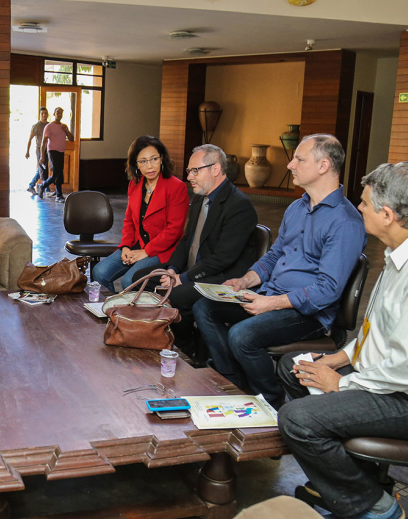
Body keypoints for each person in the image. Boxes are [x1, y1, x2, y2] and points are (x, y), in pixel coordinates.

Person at [277, 162, 408, 519]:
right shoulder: (404, 250)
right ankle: (357, 482)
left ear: (387, 214)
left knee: (297, 419)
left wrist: (342, 383)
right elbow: (382, 332)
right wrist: (338, 358)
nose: (359, 208)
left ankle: (374, 507)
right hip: (398, 380)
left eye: (365, 203)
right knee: (294, 367)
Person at [193, 134, 366, 408]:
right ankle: (236, 383)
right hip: (271, 295)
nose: (290, 165)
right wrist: (246, 279)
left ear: (323, 166)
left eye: (299, 159)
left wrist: (270, 304)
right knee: (205, 308)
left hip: (308, 313)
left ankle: (273, 402)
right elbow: (274, 256)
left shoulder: (345, 222)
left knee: (242, 335)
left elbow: (328, 290)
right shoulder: (297, 208)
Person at [133, 144, 258, 360]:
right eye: (189, 171)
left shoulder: (239, 206)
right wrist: (172, 270)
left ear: (216, 169)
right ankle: (175, 340)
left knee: (176, 294)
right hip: (194, 270)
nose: (189, 176)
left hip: (220, 278)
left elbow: (222, 259)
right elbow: (186, 240)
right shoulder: (201, 198)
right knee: (142, 278)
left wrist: (183, 278)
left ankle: (187, 347)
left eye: (195, 171)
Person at [92, 135, 189, 293]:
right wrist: (125, 246)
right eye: (143, 161)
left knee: (129, 281)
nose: (149, 166)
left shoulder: (176, 187)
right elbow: (129, 220)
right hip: (136, 245)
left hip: (162, 250)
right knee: (99, 272)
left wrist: (146, 252)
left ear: (162, 159)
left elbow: (174, 230)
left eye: (154, 159)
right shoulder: (135, 184)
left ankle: (132, 314)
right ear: (136, 164)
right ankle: (115, 310)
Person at [38, 107, 75, 203]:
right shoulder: (49, 126)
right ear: (54, 114)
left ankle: (51, 190)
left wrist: (66, 130)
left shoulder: (63, 126)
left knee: (59, 173)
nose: (59, 114)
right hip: (52, 151)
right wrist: (42, 156)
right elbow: (44, 142)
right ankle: (55, 193)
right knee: (56, 173)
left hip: (61, 152)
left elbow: (71, 139)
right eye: (58, 113)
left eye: (61, 113)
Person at [25, 106, 50, 195]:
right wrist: (27, 151)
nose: (44, 115)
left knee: (42, 168)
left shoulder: (49, 125)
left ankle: (31, 186)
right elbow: (30, 139)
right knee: (43, 168)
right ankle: (46, 189)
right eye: (42, 113)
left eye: (45, 113)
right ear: (39, 115)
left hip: (48, 149)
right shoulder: (36, 126)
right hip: (40, 149)